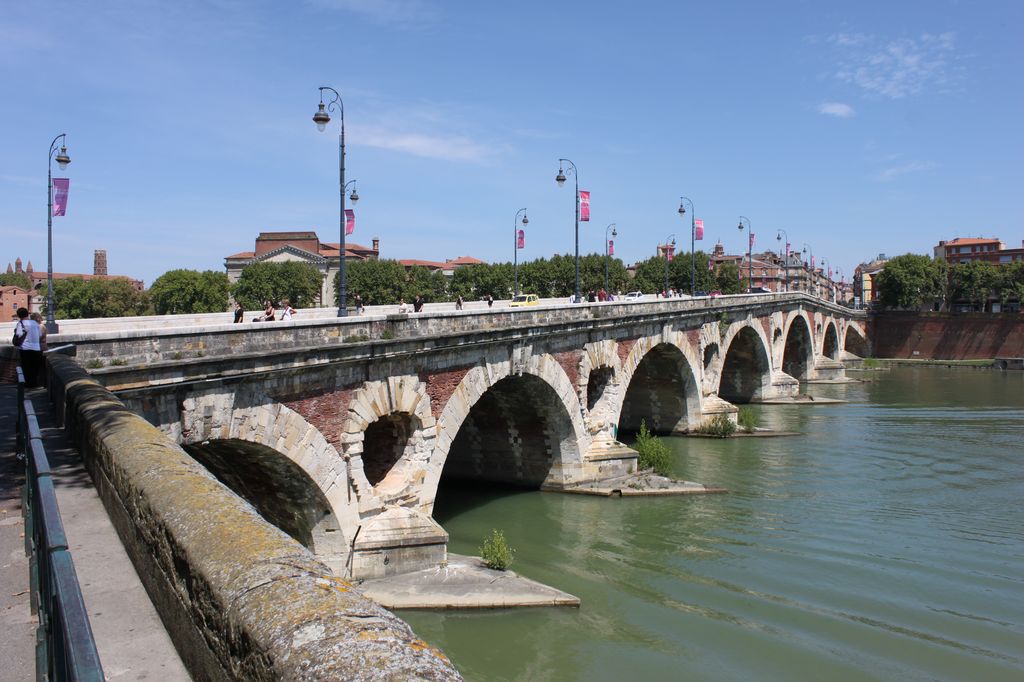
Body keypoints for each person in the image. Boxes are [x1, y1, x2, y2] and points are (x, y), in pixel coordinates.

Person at [14, 308, 42, 387]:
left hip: (25, 348)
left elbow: (18, 334)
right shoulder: (35, 323)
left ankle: (27, 384)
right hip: (36, 348)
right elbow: (40, 335)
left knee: (26, 367)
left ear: (19, 315)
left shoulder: (21, 323)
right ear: (27, 314)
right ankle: (34, 383)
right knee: (35, 367)